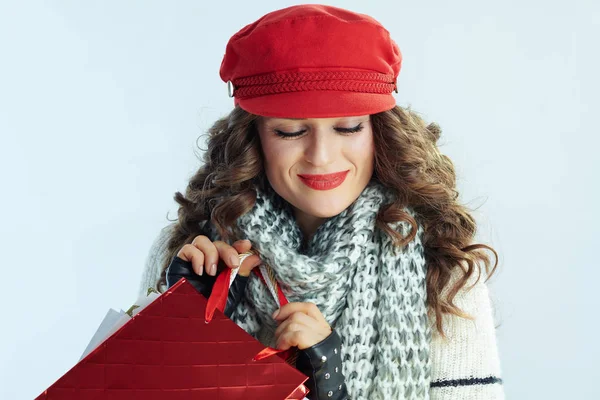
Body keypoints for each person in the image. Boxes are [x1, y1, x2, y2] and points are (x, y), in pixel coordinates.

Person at [138, 4, 505, 400]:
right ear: (253, 138)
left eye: (348, 127)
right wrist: (179, 326)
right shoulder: (188, 253)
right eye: (291, 131)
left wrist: (332, 390)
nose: (322, 156)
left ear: (379, 131)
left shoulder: (445, 268)